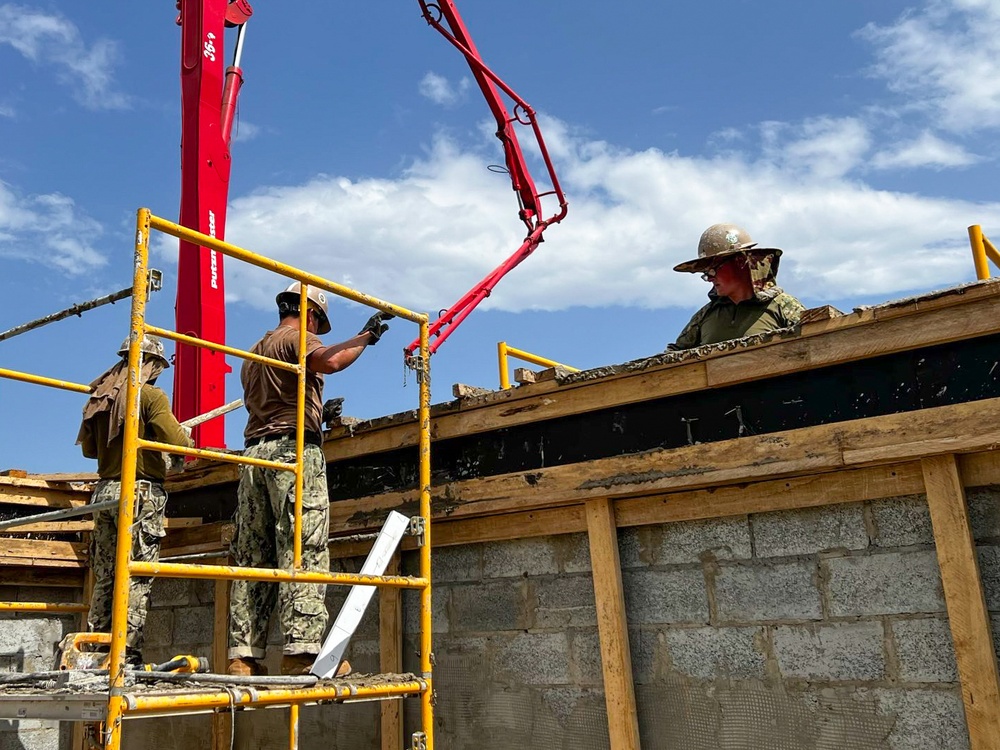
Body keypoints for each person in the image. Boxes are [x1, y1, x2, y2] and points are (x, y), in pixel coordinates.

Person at [228, 282, 392, 677]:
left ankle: (242, 657)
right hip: (292, 454)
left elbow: (278, 397)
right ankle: (303, 652)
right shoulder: (300, 338)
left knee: (254, 555)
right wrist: (366, 338)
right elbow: (330, 362)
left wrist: (317, 413)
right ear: (312, 313)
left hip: (254, 457)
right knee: (303, 545)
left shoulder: (253, 351)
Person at [76, 334, 193, 666]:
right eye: (158, 366)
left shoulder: (102, 397)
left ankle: (98, 650)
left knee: (107, 575)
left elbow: (89, 450)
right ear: (153, 364)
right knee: (136, 575)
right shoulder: (149, 395)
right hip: (140, 494)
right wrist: (186, 437)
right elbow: (175, 439)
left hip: (105, 493)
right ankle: (125, 656)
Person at [669, 223, 805, 350]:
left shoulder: (783, 306)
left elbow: (815, 344)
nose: (710, 278)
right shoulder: (705, 315)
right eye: (706, 272)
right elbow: (670, 359)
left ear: (740, 262)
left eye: (713, 269)